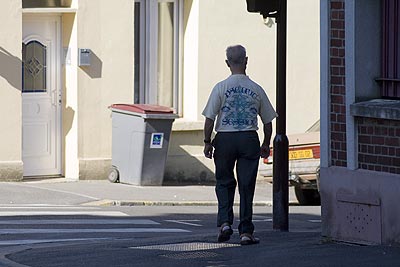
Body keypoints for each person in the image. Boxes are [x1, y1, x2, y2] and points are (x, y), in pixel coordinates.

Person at [202, 45, 277, 245]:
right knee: (246, 185)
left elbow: (209, 119)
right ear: (246, 61)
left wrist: (207, 142)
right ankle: (245, 232)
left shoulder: (220, 87)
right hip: (248, 138)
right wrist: (265, 143)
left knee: (224, 182)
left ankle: (225, 223)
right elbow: (268, 122)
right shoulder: (256, 89)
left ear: (227, 63)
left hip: (225, 139)